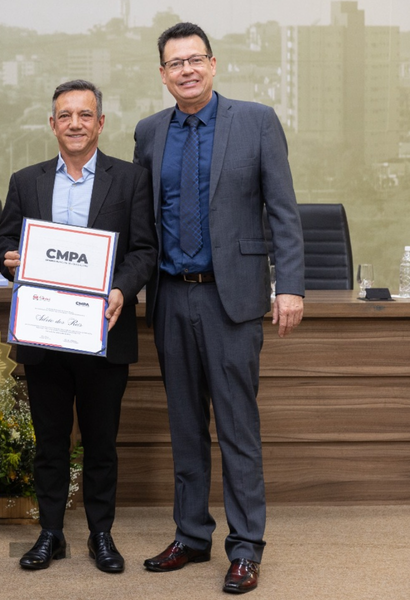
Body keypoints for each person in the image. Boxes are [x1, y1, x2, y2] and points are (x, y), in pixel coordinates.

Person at [133, 22, 305, 594]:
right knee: (185, 425)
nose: (186, 69)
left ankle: (247, 546)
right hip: (170, 296)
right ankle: (191, 534)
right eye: (174, 62)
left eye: (195, 59)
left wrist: (292, 286)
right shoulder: (149, 132)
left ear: (213, 64)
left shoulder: (254, 121)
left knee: (237, 428)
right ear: (162, 74)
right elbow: (142, 221)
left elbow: (282, 208)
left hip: (231, 297)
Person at [0, 80, 158, 573]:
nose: (75, 124)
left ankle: (101, 535)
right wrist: (9, 259)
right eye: (65, 116)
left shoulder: (130, 180)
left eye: (85, 115)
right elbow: (3, 241)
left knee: (102, 442)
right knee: (50, 442)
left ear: (101, 123)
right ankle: (51, 534)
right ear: (52, 124)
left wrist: (122, 289)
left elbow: (145, 250)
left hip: (104, 333)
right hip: (44, 335)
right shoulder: (27, 180)